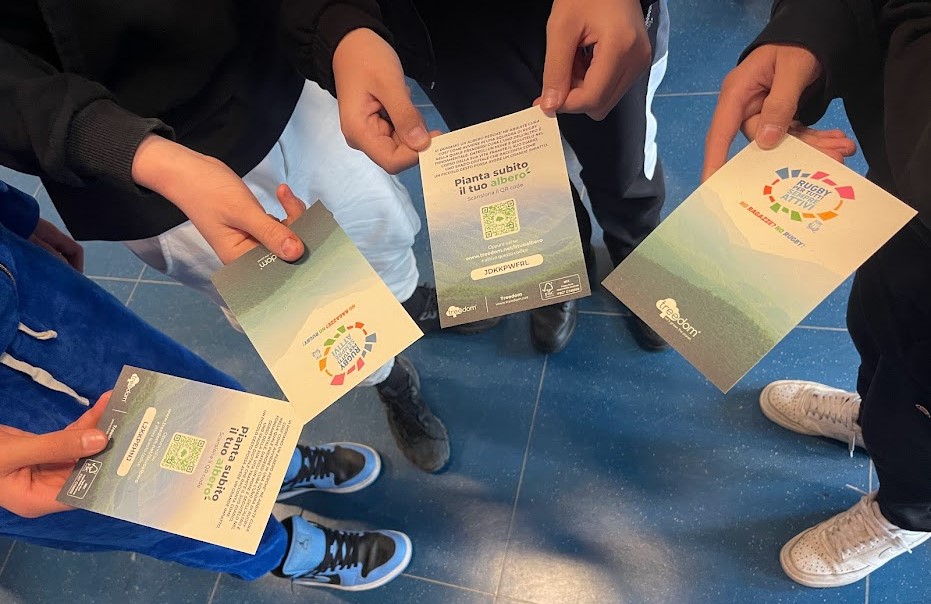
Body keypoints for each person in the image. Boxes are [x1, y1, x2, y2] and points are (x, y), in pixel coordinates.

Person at [0, 0, 493, 474]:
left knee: (380, 225)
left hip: (275, 73)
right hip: (137, 172)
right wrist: (131, 151)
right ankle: (390, 379)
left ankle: (407, 303)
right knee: (300, 313)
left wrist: (339, 25)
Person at [0, 179, 410, 590]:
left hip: (23, 284)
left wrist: (12, 210)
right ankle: (284, 553)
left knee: (188, 393)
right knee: (141, 505)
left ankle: (271, 465)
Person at [287, 0, 671, 354]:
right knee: (511, 179)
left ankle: (635, 252)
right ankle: (558, 269)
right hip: (445, 31)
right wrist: (338, 24)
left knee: (625, 161)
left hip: (596, 14)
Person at [703, 0, 931, 588]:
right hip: (906, 184)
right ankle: (875, 418)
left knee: (926, 413)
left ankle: (908, 513)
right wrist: (811, 30)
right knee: (878, 328)